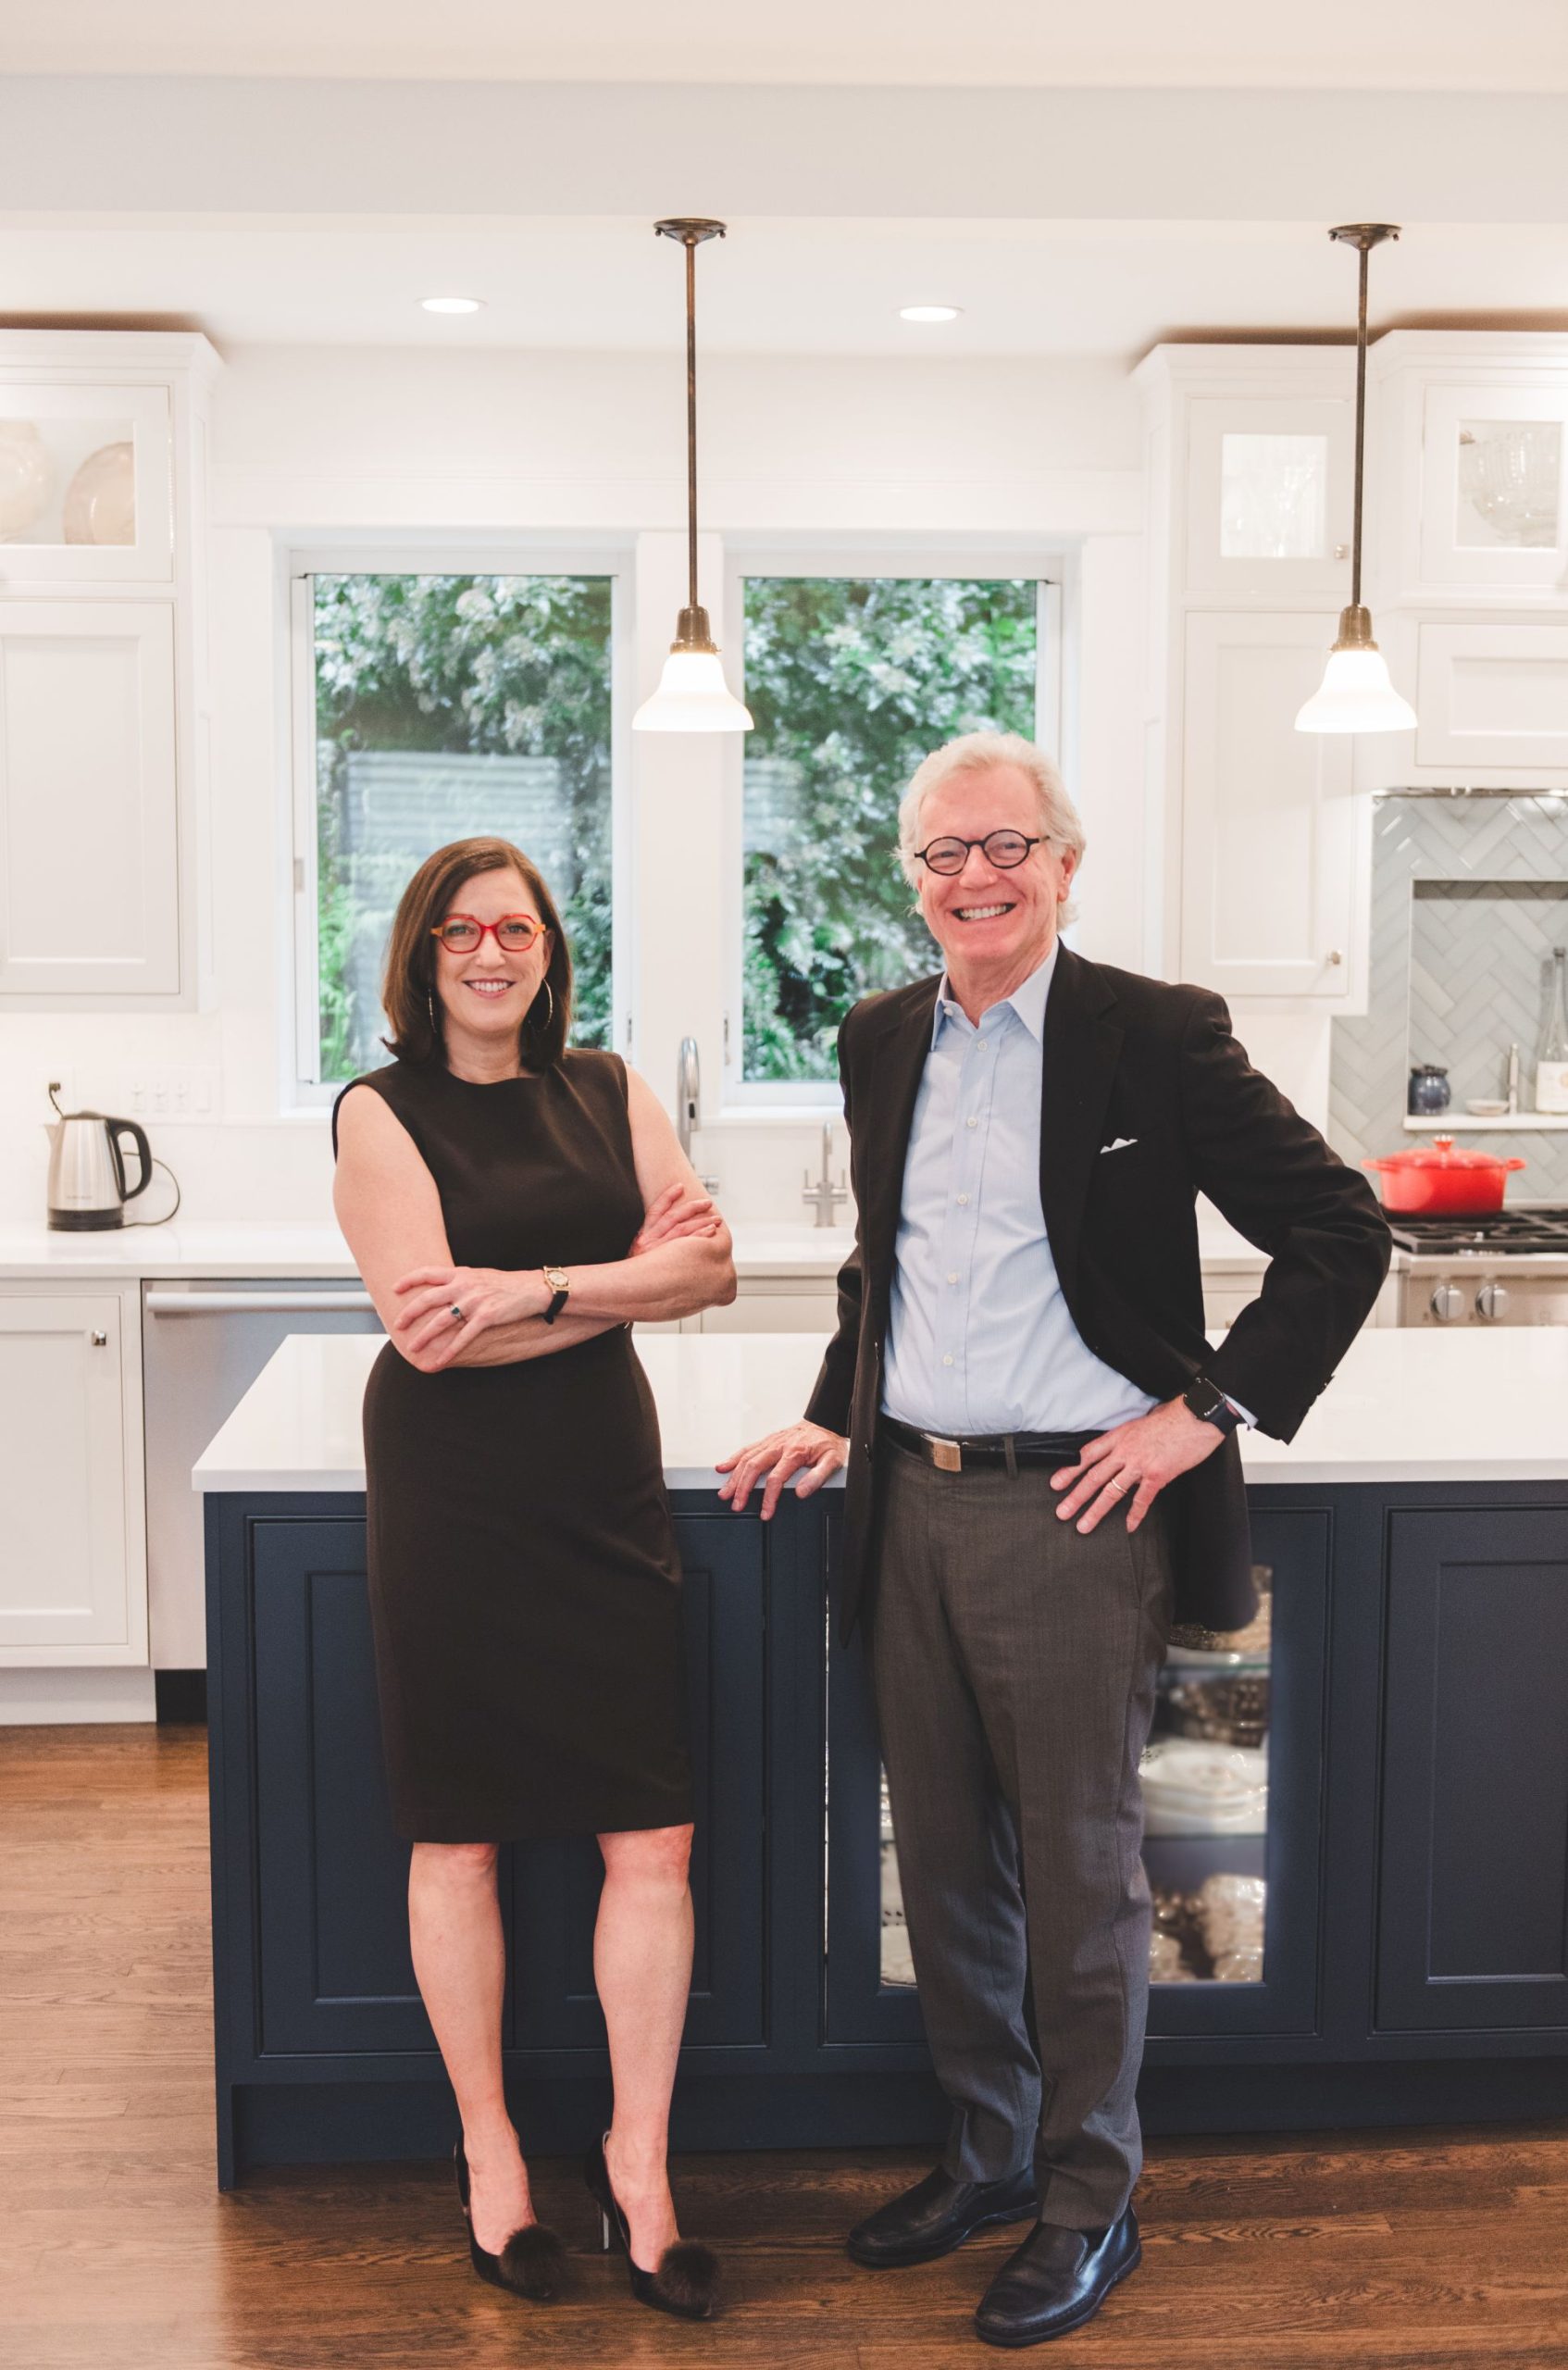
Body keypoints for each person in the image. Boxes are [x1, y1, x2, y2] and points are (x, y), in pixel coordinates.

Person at [717, 732, 1390, 2349]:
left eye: (1006, 846)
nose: (976, 877)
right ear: (913, 880)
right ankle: (990, 2153)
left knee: (1082, 1877)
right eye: (944, 853)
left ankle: (1092, 2199)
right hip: (904, 1500)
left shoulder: (1152, 1036)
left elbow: (1338, 1228)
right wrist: (831, 1409)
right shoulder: (881, 1036)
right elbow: (881, 1265)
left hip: (1075, 1514)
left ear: (1063, 866)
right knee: (945, 1862)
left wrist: (1202, 1411)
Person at [331, 834, 733, 2322]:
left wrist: (535, 1288)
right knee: (461, 1839)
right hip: (454, 1493)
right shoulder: (379, 1110)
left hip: (597, 1482)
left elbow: (712, 1270)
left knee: (653, 1837)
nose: (490, 953)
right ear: (421, 956)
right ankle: (490, 2155)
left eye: (515, 929)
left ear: (550, 950)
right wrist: (622, 1285)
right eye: (459, 932)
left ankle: (640, 2163)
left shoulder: (610, 1088)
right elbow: (431, 1334)